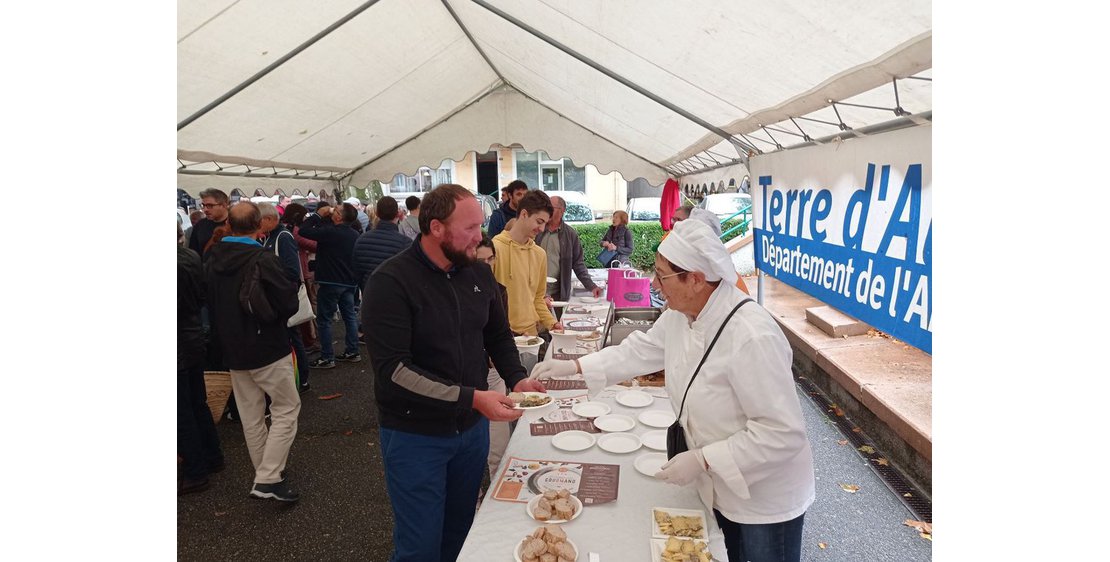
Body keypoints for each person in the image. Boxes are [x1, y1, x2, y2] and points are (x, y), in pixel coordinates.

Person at [532, 219, 815, 562]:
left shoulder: (753, 335)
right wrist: (575, 367)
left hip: (763, 498)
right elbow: (639, 350)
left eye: (662, 275)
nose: (654, 283)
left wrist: (703, 458)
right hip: (717, 483)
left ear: (695, 279)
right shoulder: (683, 315)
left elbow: (782, 433)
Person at [363, 183, 547, 562]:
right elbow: (394, 370)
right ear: (435, 228)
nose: (479, 237)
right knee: (420, 545)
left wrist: (517, 378)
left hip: (471, 430)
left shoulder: (476, 274)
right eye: (469, 229)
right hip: (416, 435)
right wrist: (472, 397)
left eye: (480, 226)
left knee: (462, 532)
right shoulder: (391, 282)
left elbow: (497, 335)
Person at [204, 201, 303, 502]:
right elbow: (288, 301)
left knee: (251, 415)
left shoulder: (211, 258)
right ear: (260, 225)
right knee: (286, 408)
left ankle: (266, 472)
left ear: (230, 225)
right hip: (267, 347)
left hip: (232, 349)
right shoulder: (261, 258)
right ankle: (269, 476)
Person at [178, 225, 223, 495]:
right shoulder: (191, 257)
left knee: (181, 411)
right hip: (192, 336)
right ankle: (212, 455)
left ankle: (196, 469)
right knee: (197, 402)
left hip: (180, 343)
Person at [491, 190, 562, 337]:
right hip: (502, 337)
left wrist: (552, 323)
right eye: (539, 222)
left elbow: (538, 298)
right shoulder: (495, 249)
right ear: (524, 214)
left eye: (545, 223)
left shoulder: (539, 254)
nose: (542, 229)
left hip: (532, 335)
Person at [299, 202, 362, 369]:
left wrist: (318, 214)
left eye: (337, 209)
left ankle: (327, 357)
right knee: (349, 316)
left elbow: (303, 230)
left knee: (325, 319)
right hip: (349, 281)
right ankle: (352, 350)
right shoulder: (354, 234)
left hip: (330, 280)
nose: (334, 210)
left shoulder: (330, 232)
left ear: (340, 216)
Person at [259, 203, 312, 393]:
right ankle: (298, 377)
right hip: (278, 298)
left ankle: (303, 378)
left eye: (260, 220)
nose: (257, 224)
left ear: (270, 219)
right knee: (290, 337)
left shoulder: (283, 237)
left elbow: (292, 271)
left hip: (284, 298)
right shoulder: (269, 237)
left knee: (293, 337)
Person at [476, 235, 511, 482]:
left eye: (490, 259)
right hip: (469, 380)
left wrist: (516, 375)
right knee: (473, 449)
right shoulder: (458, 289)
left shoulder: (499, 290)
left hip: (494, 373)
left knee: (499, 445)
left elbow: (500, 334)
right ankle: (475, 496)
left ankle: (497, 498)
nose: (487, 265)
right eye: (480, 260)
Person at [534, 195, 603, 301]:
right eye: (545, 207)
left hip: (557, 294)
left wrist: (591, 286)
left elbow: (578, 264)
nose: (547, 210)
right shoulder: (537, 231)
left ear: (562, 211)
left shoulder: (570, 234)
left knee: (555, 318)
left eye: (551, 207)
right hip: (535, 292)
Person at [281, 203, 321, 352]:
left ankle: (308, 338)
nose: (305, 218)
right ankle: (309, 339)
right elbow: (314, 245)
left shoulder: (285, 229)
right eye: (304, 216)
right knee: (307, 304)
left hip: (297, 272)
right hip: (302, 272)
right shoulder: (295, 231)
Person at [353, 196, 411, 290]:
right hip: (396, 295)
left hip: (370, 293)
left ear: (377, 213)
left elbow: (357, 272)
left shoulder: (361, 240)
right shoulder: (406, 243)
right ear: (397, 213)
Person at [189, 188, 230, 257]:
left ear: (224, 205)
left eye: (210, 206)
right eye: (203, 205)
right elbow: (193, 253)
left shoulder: (236, 224)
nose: (205, 210)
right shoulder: (200, 225)